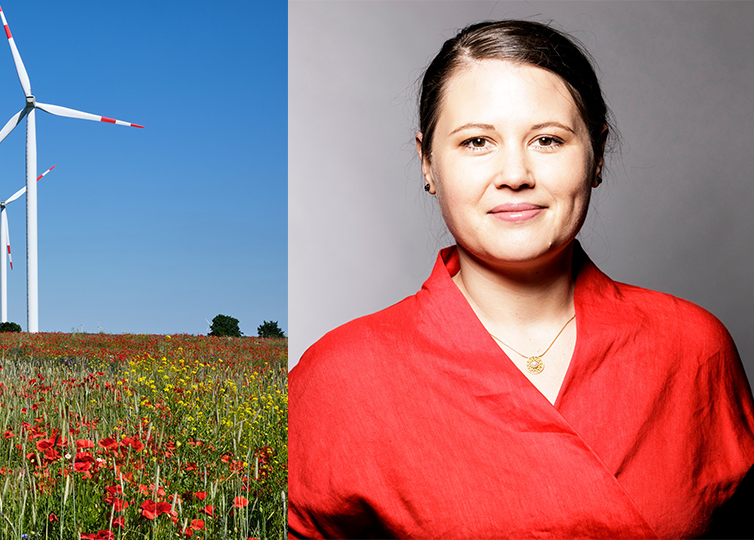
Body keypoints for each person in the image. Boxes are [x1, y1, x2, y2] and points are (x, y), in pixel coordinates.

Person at [288, 20, 754, 539]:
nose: (515, 175)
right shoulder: (339, 377)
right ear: (427, 163)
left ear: (597, 154)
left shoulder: (693, 348)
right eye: (477, 142)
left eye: (547, 140)